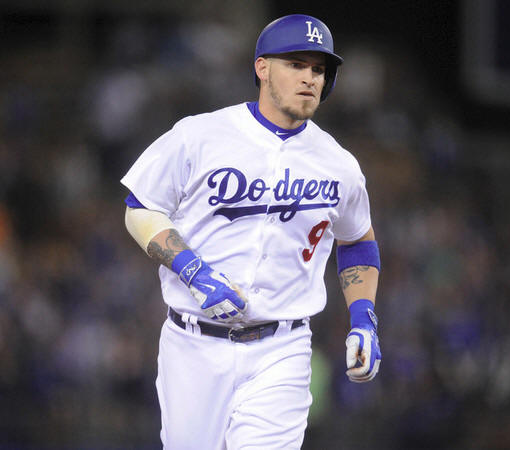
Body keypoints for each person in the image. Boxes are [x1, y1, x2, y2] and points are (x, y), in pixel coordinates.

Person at [121, 14, 381, 449]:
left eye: (319, 69)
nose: (310, 78)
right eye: (295, 64)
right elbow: (140, 207)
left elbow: (357, 241)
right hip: (193, 346)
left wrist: (364, 319)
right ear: (262, 67)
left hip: (282, 348)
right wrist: (193, 271)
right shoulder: (200, 135)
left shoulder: (339, 164)